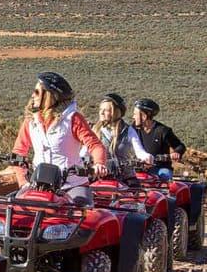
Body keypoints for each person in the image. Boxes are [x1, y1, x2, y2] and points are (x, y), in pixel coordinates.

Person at [11, 72, 108, 204]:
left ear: (50, 96)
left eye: (37, 92)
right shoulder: (31, 121)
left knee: (82, 211)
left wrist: (99, 163)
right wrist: (23, 181)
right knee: (18, 210)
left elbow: (95, 145)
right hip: (39, 185)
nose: (33, 95)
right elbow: (18, 152)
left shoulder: (73, 119)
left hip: (72, 185)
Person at [90, 93, 153, 179]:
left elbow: (139, 151)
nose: (101, 112)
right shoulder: (95, 130)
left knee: (137, 191)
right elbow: (84, 152)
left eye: (106, 110)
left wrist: (146, 157)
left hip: (126, 177)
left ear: (115, 112)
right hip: (100, 177)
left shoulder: (128, 130)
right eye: (100, 109)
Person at [132, 98, 186, 180]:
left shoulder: (163, 131)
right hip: (138, 168)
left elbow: (180, 146)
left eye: (135, 114)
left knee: (165, 175)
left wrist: (176, 153)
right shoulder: (132, 129)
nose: (133, 117)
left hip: (159, 168)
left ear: (144, 116)